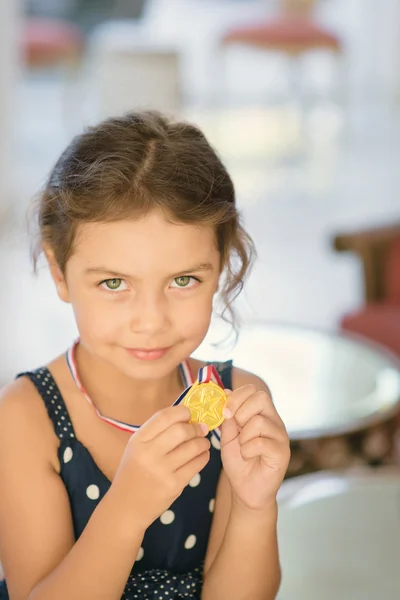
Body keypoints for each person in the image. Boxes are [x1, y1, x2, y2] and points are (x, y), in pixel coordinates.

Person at [0, 111, 290, 600]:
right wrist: (129, 505)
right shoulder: (25, 419)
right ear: (59, 270)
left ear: (220, 268)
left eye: (183, 281)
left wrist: (255, 504)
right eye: (114, 283)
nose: (151, 319)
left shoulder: (236, 400)